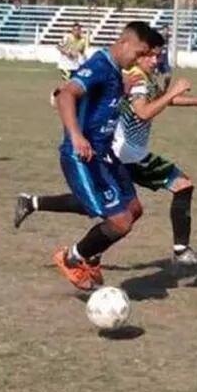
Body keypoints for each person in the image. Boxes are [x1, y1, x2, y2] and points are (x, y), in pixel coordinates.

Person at [16, 43, 197, 268]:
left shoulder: (141, 77)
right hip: (128, 154)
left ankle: (35, 205)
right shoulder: (136, 78)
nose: (155, 61)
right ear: (138, 56)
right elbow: (144, 112)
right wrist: (173, 91)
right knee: (181, 186)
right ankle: (180, 251)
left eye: (157, 56)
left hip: (124, 152)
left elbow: (157, 99)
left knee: (118, 208)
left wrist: (194, 101)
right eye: (150, 56)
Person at [40, 22, 154, 290]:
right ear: (124, 42)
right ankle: (71, 258)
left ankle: (89, 257)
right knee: (120, 222)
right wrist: (77, 136)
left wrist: (121, 89)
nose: (140, 60)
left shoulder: (116, 71)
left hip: (105, 155)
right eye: (139, 53)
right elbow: (66, 94)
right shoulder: (101, 65)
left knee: (134, 209)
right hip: (83, 155)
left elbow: (101, 101)